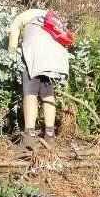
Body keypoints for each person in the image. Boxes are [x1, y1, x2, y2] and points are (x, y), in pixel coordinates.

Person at [8, 9, 70, 150]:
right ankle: (50, 136)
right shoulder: (48, 17)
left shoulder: (19, 19)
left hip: (36, 49)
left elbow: (12, 41)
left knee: (30, 92)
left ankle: (28, 138)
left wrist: (11, 57)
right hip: (56, 53)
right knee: (47, 92)